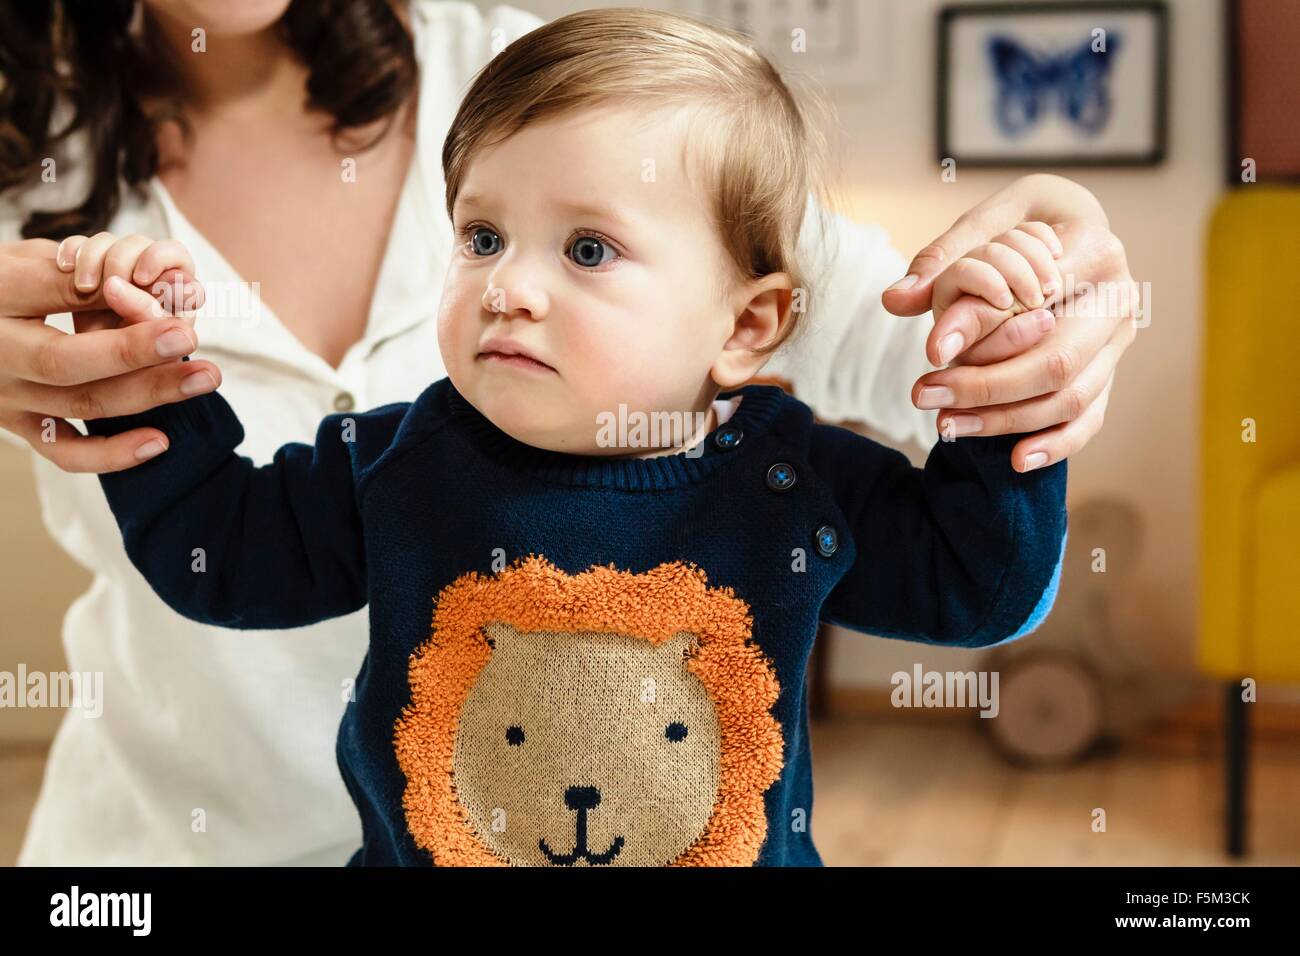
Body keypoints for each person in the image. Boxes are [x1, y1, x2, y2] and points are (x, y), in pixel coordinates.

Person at [0, 1, 1135, 866]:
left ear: (749, 324)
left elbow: (979, 587)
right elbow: (224, 555)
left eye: (587, 250)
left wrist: (1014, 361)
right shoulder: (399, 460)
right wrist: (140, 377)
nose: (508, 287)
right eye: (480, 238)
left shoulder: (789, 480)